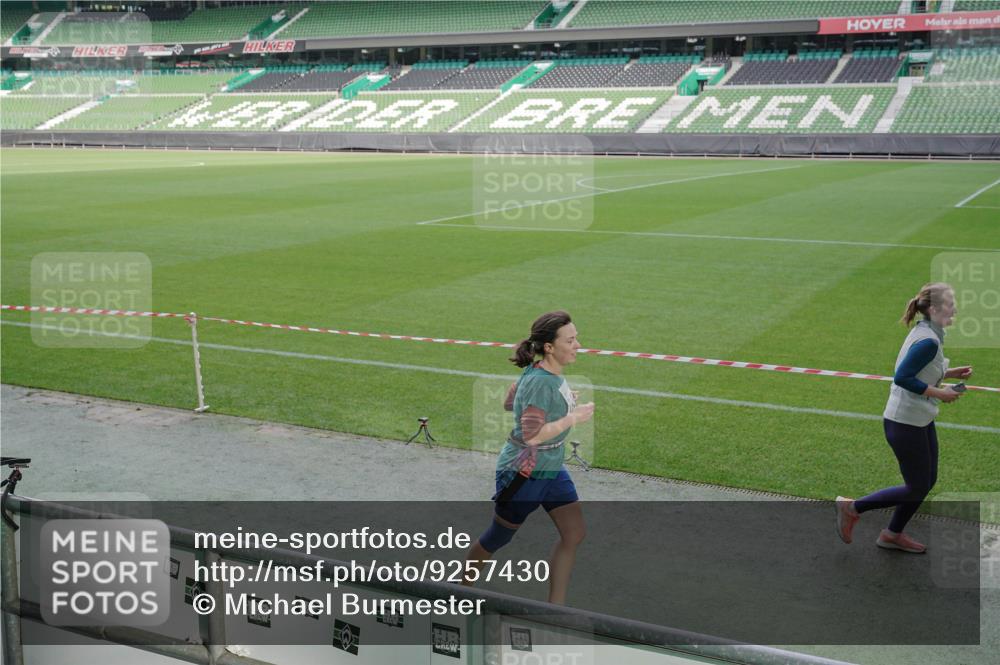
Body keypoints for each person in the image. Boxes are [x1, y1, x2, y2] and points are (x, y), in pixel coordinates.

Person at [463, 310, 595, 604]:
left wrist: (561, 403)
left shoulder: (544, 373)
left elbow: (510, 401)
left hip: (551, 466)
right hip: (524, 471)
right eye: (571, 340)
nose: (577, 345)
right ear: (549, 347)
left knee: (574, 533)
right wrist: (572, 417)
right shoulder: (541, 380)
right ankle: (457, 590)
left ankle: (555, 608)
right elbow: (532, 435)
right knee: (497, 537)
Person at [836, 283, 972, 553]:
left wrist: (951, 373)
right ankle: (851, 507)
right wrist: (940, 393)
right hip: (905, 423)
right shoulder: (929, 340)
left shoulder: (927, 331)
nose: (954, 308)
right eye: (949, 304)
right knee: (916, 486)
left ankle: (891, 534)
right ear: (934, 309)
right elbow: (903, 377)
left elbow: (920, 369)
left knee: (927, 480)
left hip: (918, 418)